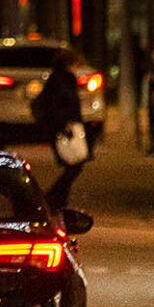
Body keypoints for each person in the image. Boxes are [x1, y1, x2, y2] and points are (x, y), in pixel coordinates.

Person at [32, 60, 90, 208]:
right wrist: (65, 123)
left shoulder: (61, 79)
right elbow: (57, 104)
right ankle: (53, 197)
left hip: (64, 127)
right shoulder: (61, 81)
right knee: (74, 164)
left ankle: (57, 198)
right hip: (63, 128)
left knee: (73, 165)